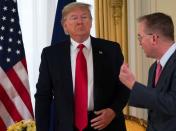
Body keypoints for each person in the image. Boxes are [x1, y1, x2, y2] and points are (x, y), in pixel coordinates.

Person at [35, 2, 130, 131]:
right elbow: (43, 96)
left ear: (91, 22)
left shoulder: (111, 49)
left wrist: (113, 110)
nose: (80, 22)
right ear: (65, 26)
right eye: (74, 18)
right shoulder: (51, 54)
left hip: (106, 124)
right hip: (67, 126)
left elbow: (125, 86)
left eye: (84, 17)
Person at [119, 12, 176, 131]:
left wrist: (133, 84)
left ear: (154, 38)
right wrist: (123, 87)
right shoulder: (154, 68)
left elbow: (173, 104)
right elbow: (155, 103)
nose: (139, 43)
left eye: (140, 37)